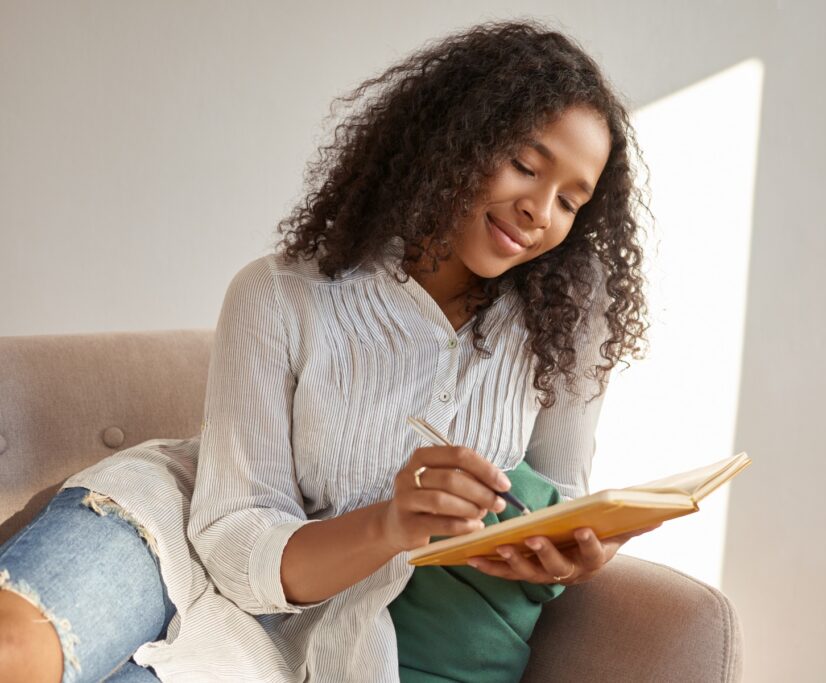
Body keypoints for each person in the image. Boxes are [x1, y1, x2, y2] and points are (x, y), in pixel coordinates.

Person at [0, 18, 655, 683]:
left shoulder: (569, 315)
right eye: (524, 165)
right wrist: (391, 522)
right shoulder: (280, 293)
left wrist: (571, 557)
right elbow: (233, 537)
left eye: (572, 200)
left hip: (305, 632)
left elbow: (558, 493)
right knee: (13, 653)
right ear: (458, 137)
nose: (541, 210)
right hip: (176, 525)